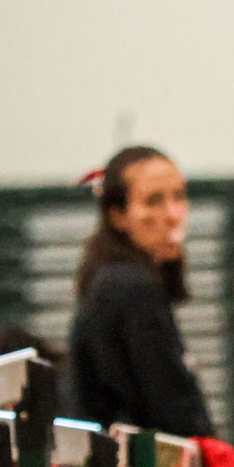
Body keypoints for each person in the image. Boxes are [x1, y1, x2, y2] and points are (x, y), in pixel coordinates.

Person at [66, 146, 213, 438]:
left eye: (179, 196)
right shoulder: (129, 288)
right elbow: (168, 405)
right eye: (153, 201)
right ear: (118, 215)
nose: (173, 215)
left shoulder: (119, 279)